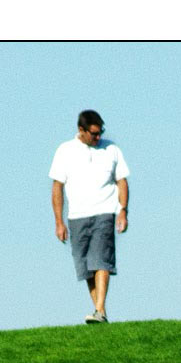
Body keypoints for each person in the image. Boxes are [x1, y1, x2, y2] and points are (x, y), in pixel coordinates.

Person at [49, 109, 129, 324]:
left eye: (100, 132)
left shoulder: (111, 149)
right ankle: (99, 312)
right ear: (81, 130)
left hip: (104, 211)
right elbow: (57, 187)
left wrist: (123, 210)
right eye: (94, 133)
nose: (98, 137)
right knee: (86, 268)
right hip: (77, 215)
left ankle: (99, 309)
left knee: (101, 260)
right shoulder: (65, 150)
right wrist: (58, 221)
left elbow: (122, 181)